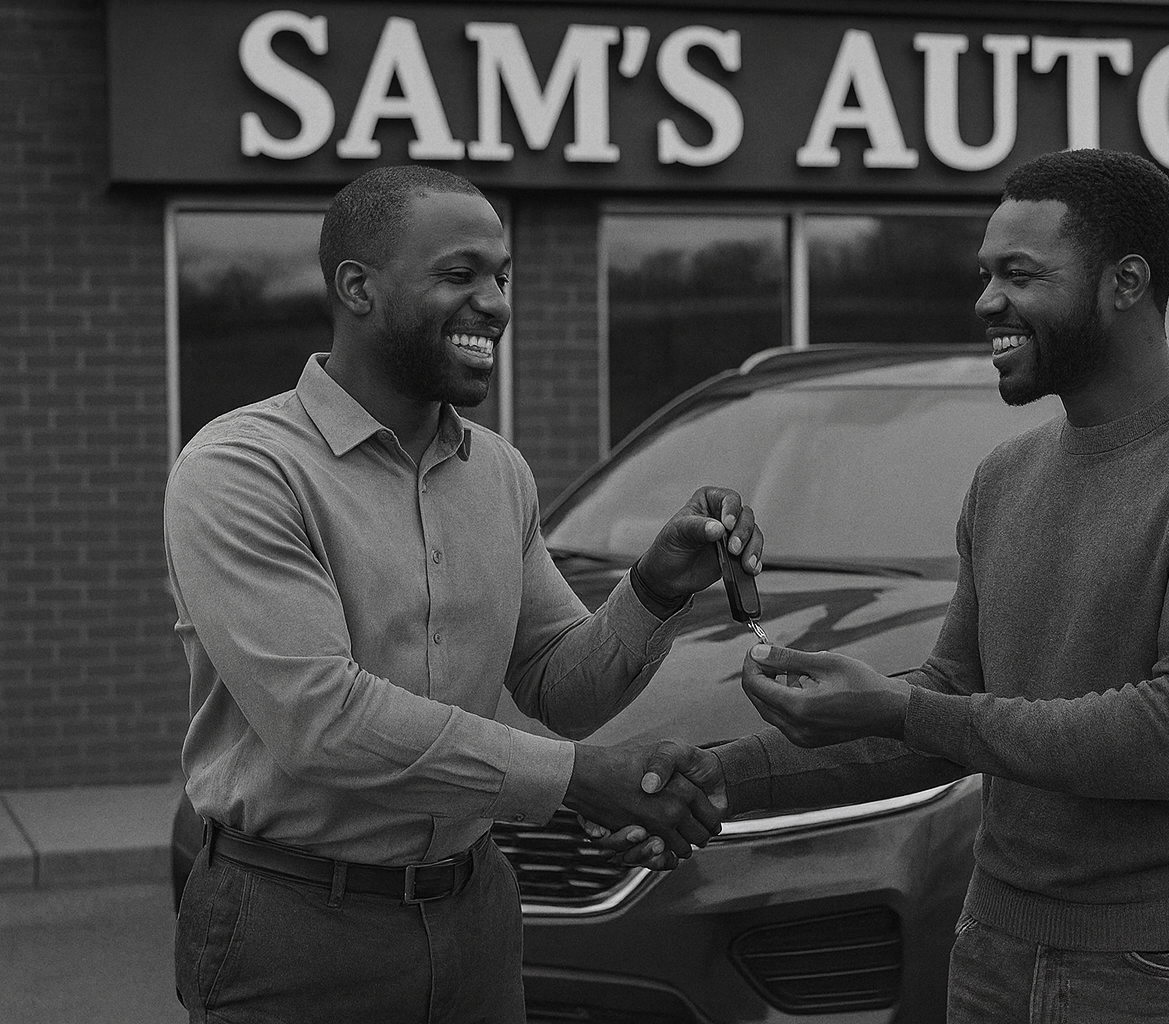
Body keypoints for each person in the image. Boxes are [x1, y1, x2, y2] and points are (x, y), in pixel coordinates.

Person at [607, 149, 1169, 1023]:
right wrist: (729, 777)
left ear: (1126, 282)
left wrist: (897, 708)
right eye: (986, 273)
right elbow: (952, 703)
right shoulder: (1005, 476)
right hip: (995, 946)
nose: (986, 301)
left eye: (1020, 275)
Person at [164, 165, 758, 1024]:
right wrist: (579, 781)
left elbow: (561, 687)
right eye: (459, 274)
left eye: (502, 276)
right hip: (294, 927)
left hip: (475, 914)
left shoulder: (499, 472)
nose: (495, 302)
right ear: (358, 288)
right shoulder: (242, 469)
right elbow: (320, 721)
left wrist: (656, 588)